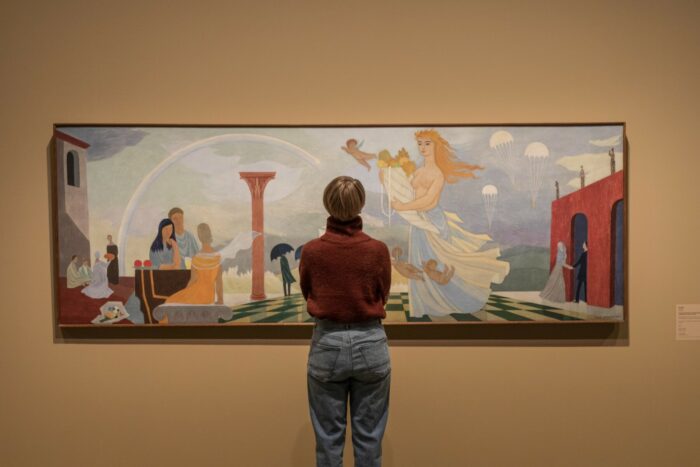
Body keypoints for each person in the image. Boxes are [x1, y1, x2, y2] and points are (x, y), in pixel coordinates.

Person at [299, 176, 392, 467]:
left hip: (327, 343)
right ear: (360, 204)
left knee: (328, 443)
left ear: (328, 204)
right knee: (369, 443)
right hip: (371, 343)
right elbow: (383, 294)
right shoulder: (377, 250)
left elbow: (308, 292)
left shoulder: (312, 251)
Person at [373, 129, 509, 317]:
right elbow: (406, 190)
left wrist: (403, 206)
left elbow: (430, 201)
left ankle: (448, 301)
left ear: (436, 146)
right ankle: (425, 305)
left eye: (427, 143)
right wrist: (387, 178)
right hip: (418, 221)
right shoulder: (418, 171)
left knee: (434, 263)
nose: (423, 147)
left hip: (432, 222)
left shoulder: (437, 174)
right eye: (420, 143)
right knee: (419, 262)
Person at [165, 223, 224, 305]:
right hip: (209, 296)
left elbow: (193, 280)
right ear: (209, 235)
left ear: (199, 237)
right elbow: (219, 282)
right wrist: (220, 300)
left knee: (170, 301)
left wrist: (185, 292)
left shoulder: (196, 258)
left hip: (197, 294)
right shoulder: (218, 257)